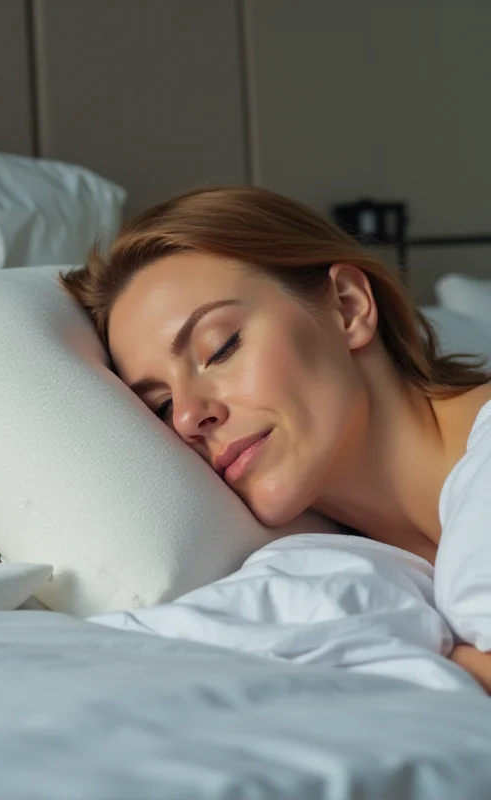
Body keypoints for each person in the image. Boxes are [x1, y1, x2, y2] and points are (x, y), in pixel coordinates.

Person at [61, 185, 491, 691]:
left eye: (219, 348)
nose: (187, 419)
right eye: (161, 405)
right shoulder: (339, 573)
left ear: (348, 308)